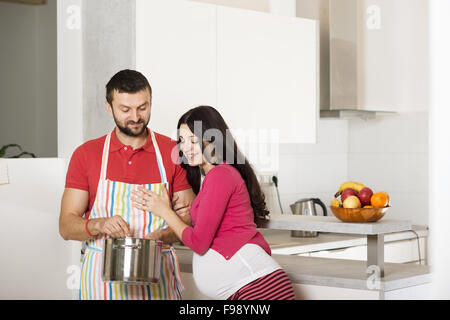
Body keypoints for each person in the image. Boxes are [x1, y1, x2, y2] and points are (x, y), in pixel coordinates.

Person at [131, 106, 296, 300]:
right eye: (182, 141)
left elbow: (199, 243)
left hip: (257, 289)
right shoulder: (216, 175)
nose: (185, 148)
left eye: (193, 140)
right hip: (247, 288)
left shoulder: (220, 175)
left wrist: (165, 211)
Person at [59, 69, 195, 300]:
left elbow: (191, 219)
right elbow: (66, 225)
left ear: (151, 102)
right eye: (125, 109)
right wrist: (99, 225)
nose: (135, 116)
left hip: (158, 277)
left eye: (143, 107)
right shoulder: (86, 154)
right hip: (101, 283)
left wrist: (162, 235)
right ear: (109, 107)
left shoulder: (173, 152)